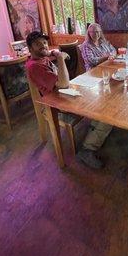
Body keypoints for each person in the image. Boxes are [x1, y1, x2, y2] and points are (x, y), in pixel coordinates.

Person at [25, 31, 110, 169]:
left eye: (45, 42)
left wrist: (52, 52)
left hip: (65, 93)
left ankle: (96, 128)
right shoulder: (34, 66)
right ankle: (88, 149)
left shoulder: (40, 58)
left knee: (101, 95)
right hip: (58, 102)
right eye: (37, 44)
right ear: (30, 49)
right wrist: (59, 56)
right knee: (107, 111)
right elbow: (63, 83)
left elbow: (62, 81)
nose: (43, 45)